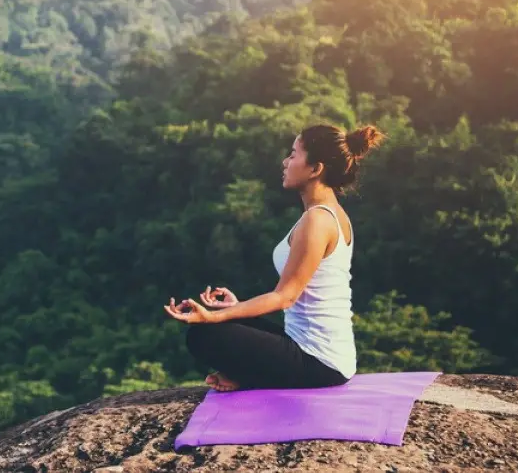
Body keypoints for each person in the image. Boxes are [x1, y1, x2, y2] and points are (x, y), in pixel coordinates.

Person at [163, 123, 386, 391]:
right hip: (312, 348)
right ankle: (246, 373)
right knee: (230, 320)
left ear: (316, 169)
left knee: (202, 335)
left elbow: (284, 297)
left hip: (319, 362)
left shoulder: (317, 221)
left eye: (293, 155)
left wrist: (212, 317)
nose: (285, 161)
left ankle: (249, 377)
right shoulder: (328, 214)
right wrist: (235, 308)